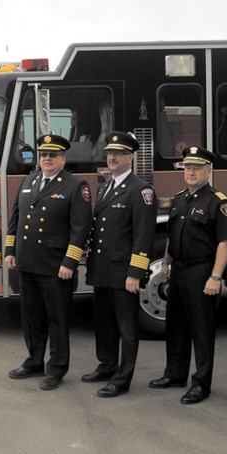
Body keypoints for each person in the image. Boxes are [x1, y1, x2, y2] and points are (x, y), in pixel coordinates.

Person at [5, 134, 92, 391]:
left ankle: (57, 368)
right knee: (31, 317)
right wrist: (10, 250)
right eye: (44, 154)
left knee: (57, 320)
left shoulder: (75, 186)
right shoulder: (29, 180)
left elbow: (81, 229)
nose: (47, 159)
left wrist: (70, 262)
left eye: (53, 155)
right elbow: (16, 218)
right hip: (27, 262)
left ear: (63, 158)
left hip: (56, 267)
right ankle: (34, 361)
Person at [149, 146, 227, 404]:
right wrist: (165, 263)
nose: (191, 172)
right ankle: (175, 374)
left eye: (197, 167)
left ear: (209, 170)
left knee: (201, 330)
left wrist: (216, 277)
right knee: (176, 326)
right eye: (187, 167)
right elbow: (172, 236)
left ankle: (201, 384)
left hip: (202, 271)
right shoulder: (179, 199)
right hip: (179, 271)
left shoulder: (218, 201)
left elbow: (225, 242)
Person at [83, 131, 156, 398]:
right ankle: (107, 365)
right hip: (102, 267)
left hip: (124, 271)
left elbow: (143, 236)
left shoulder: (141, 190)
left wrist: (136, 272)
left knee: (127, 327)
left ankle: (122, 378)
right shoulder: (105, 187)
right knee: (104, 322)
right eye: (109, 153)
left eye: (118, 153)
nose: (111, 157)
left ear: (131, 157)